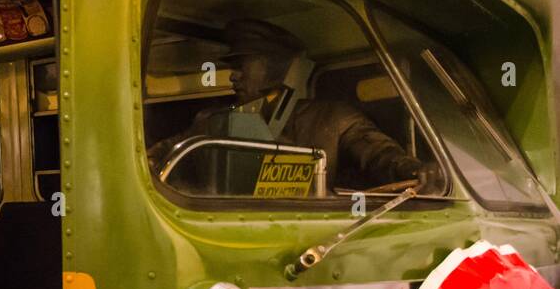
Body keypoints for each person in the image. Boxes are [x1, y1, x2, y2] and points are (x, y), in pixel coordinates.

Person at [149, 19, 441, 193]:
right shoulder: (210, 121)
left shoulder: (331, 117)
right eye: (233, 66)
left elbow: (381, 154)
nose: (234, 75)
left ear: (274, 67)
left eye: (244, 64)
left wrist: (415, 171)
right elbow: (163, 154)